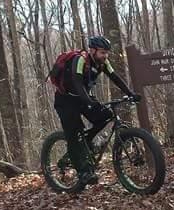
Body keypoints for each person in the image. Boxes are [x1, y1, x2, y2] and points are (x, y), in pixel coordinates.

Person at [50, 36, 140, 187]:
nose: (105, 56)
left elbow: (115, 78)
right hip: (65, 100)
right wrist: (88, 101)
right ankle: (84, 172)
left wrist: (130, 94)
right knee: (75, 133)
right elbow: (77, 83)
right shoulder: (80, 60)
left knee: (106, 115)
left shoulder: (103, 62)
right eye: (102, 52)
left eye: (107, 53)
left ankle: (87, 140)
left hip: (83, 97)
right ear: (92, 50)